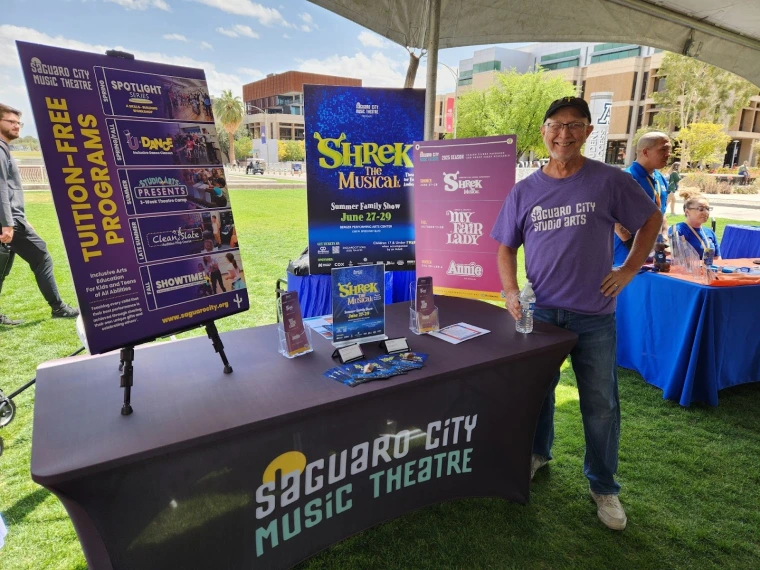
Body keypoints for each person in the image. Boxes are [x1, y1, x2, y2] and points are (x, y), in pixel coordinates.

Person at [491, 96, 662, 531]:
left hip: (593, 315)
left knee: (601, 405)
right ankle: (536, 454)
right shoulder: (524, 189)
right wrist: (510, 291)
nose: (563, 134)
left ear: (587, 131)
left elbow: (651, 219)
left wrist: (627, 270)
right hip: (542, 313)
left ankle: (603, 486)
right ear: (544, 131)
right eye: (555, 125)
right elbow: (505, 247)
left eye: (573, 125)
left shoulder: (608, 181)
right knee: (536, 393)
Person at [0, 103, 79, 325]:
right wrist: (8, 222)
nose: (17, 126)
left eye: (19, 123)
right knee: (41, 255)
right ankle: (59, 308)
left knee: (2, 268)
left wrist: (21, 218)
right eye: (11, 122)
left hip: (12, 219)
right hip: (8, 223)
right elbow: (1, 188)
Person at [613, 132, 671, 266]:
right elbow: (614, 220)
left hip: (653, 253)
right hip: (625, 256)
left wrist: (665, 237)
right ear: (645, 152)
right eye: (663, 149)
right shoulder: (627, 178)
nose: (668, 154)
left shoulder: (660, 178)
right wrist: (635, 249)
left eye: (669, 150)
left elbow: (661, 211)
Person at [669, 195, 720, 260]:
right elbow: (678, 259)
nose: (706, 212)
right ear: (687, 212)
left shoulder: (709, 232)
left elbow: (717, 259)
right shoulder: (678, 230)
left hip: (709, 269)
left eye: (707, 209)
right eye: (701, 209)